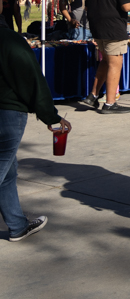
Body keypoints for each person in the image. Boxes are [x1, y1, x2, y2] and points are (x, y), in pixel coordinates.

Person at [0, 18, 72, 241]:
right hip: (7, 113)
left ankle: (17, 224)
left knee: (9, 172)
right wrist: (50, 116)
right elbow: (31, 80)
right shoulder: (9, 40)